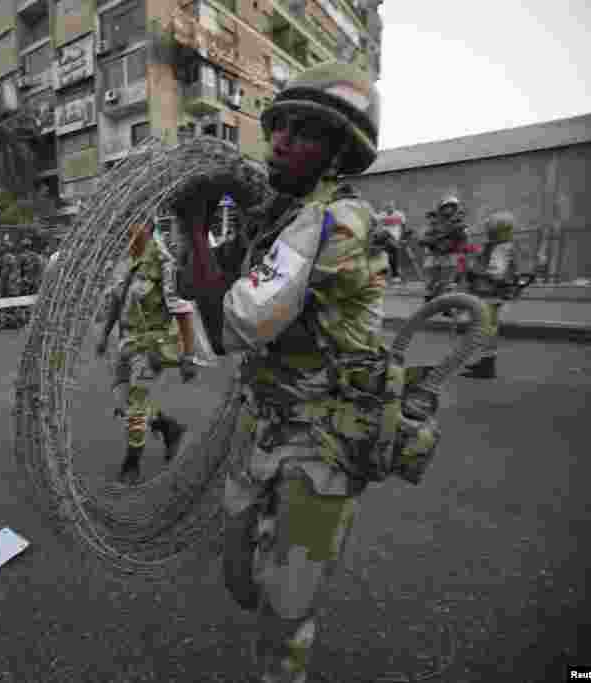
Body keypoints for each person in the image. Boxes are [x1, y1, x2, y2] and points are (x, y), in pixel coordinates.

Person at [177, 62, 388, 683]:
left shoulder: (334, 222)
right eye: (280, 127)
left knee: (284, 609)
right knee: (238, 574)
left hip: (321, 440)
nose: (281, 140)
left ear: (338, 153)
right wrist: (199, 227)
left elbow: (232, 324)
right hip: (265, 422)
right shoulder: (280, 216)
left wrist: (195, 226)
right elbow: (203, 286)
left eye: (305, 132)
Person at [95, 221, 198, 485]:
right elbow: (117, 301)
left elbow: (183, 310)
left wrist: (188, 356)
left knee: (136, 404)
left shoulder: (164, 263)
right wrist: (104, 334)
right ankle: (168, 427)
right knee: (122, 402)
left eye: (134, 223)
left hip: (152, 346)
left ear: (148, 227)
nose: (128, 229)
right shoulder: (127, 261)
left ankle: (132, 464)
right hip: (126, 343)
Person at [461, 210, 518, 379]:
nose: (488, 233)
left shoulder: (502, 248)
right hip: (490, 291)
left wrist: (475, 272)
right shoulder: (499, 246)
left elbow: (496, 273)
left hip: (492, 292)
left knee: (488, 328)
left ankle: (487, 365)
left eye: (491, 230)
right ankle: (486, 361)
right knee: (487, 327)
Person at [376, 201, 406, 282]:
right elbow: (376, 223)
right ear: (385, 208)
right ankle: (394, 274)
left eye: (391, 207)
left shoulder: (399, 214)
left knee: (392, 253)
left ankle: (394, 274)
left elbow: (404, 226)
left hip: (394, 236)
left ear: (394, 207)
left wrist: (403, 237)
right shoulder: (382, 214)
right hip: (384, 237)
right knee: (386, 236)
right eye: (388, 207)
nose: (389, 208)